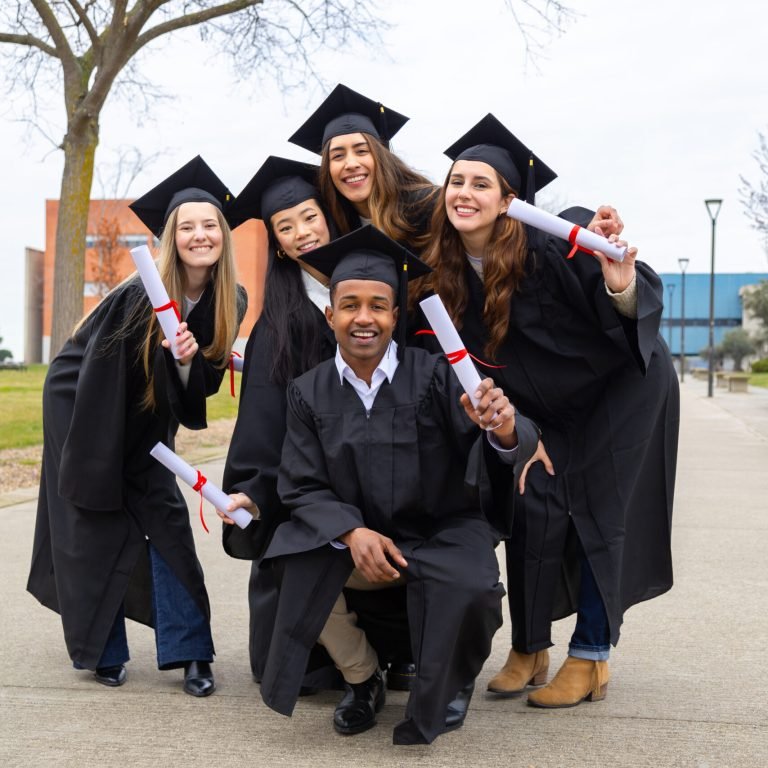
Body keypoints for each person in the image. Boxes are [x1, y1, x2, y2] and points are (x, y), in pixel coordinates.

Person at [413, 114, 679, 708]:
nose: (465, 193)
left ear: (510, 198)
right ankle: (530, 647)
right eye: (457, 181)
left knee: (599, 509)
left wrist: (618, 281)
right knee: (532, 500)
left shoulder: (558, 237)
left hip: (623, 385)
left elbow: (633, 295)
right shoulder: (447, 269)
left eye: (482, 184)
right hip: (546, 408)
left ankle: (590, 655)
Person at [257, 225, 540, 745]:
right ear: (331, 315)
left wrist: (502, 427)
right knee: (290, 557)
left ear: (395, 316)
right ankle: (363, 679)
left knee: (475, 583)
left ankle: (452, 682)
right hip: (360, 538)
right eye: (350, 305)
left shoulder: (435, 376)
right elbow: (300, 485)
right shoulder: (307, 392)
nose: (363, 318)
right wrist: (351, 532)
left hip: (436, 531)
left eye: (378, 306)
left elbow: (496, 437)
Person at [27, 156, 247, 697]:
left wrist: (190, 363)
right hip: (85, 410)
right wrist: (99, 462)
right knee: (96, 521)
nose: (200, 235)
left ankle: (192, 652)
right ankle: (104, 652)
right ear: (172, 238)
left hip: (148, 422)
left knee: (166, 523)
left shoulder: (229, 300)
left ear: (223, 234)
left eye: (209, 225)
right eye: (187, 227)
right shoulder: (138, 295)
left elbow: (197, 400)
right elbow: (97, 376)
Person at [221, 156, 415, 693]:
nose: (302, 233)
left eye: (309, 217)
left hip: (387, 481)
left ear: (329, 216)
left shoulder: (382, 296)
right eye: (285, 227)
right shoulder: (278, 328)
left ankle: (402, 647)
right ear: (278, 246)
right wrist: (252, 496)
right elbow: (262, 430)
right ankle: (355, 661)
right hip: (313, 493)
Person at [289, 83, 437, 253]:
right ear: (327, 170)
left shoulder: (428, 207)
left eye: (361, 151)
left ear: (381, 157)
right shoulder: (332, 228)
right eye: (338, 156)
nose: (351, 164)